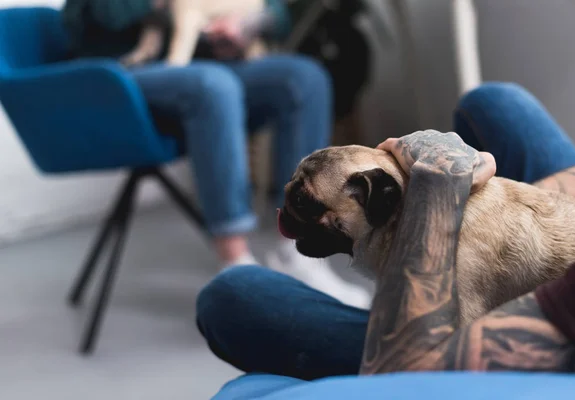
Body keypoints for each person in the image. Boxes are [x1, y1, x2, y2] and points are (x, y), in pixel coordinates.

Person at [197, 82, 575, 380]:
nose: (290, 209)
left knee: (234, 295)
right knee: (494, 103)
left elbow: (418, 374)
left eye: (308, 202)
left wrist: (439, 186)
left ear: (379, 198)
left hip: (542, 332)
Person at [61, 0, 371, 308]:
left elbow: (276, 13)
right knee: (214, 86)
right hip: (120, 71)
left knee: (305, 78)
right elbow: (106, 13)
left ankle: (296, 247)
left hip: (206, 64)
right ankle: (235, 262)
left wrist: (244, 22)